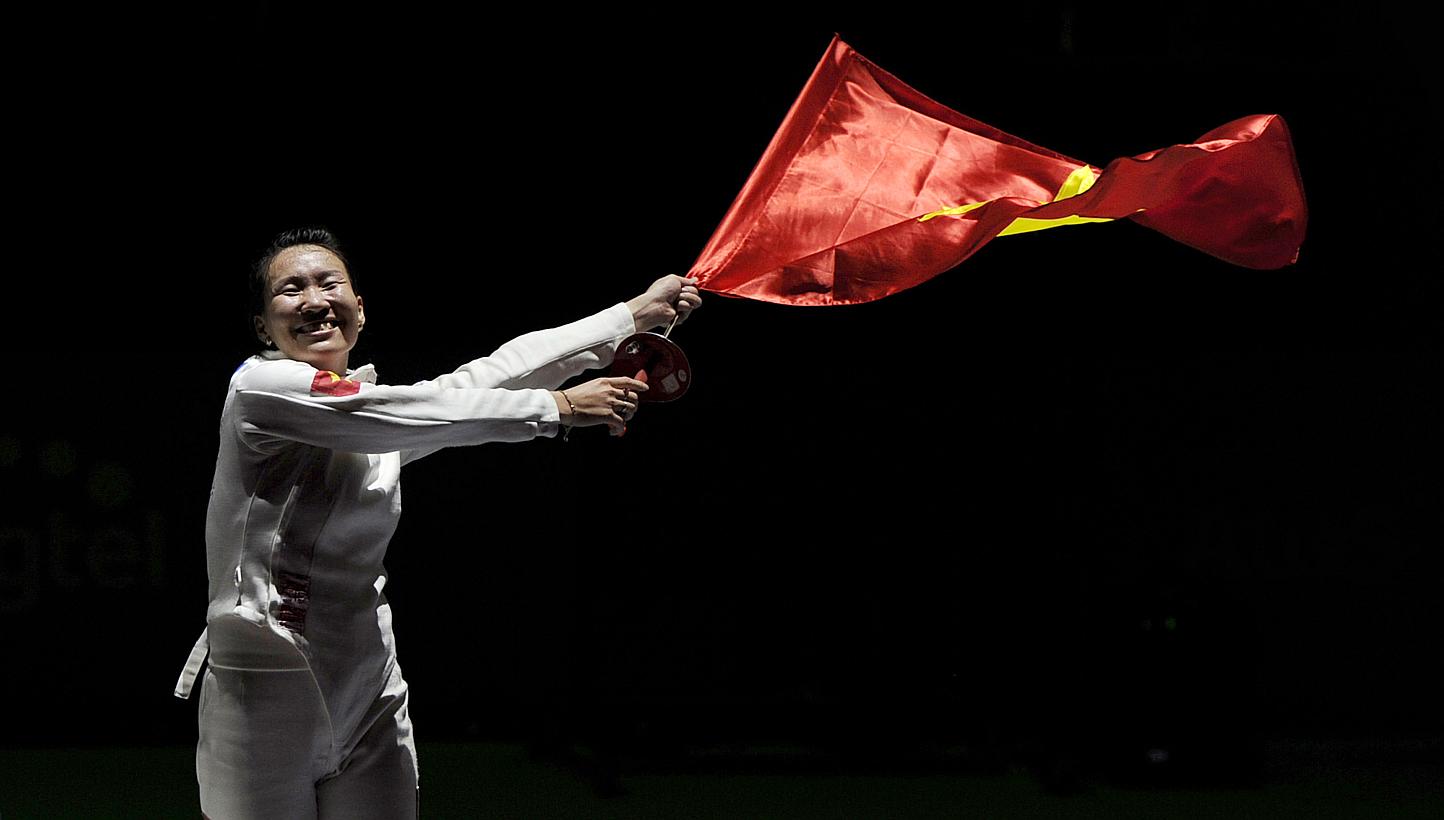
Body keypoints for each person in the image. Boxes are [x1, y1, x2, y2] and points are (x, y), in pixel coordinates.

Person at [172, 226, 701, 818]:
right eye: (291, 291)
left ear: (360, 310)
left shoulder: (376, 423)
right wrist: (556, 407)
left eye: (330, 283)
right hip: (261, 689)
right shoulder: (259, 389)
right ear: (263, 326)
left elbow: (480, 382)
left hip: (367, 682)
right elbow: (397, 411)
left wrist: (629, 318)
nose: (315, 300)